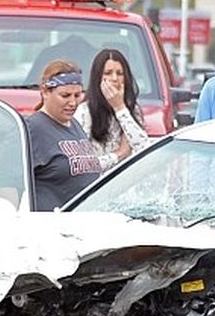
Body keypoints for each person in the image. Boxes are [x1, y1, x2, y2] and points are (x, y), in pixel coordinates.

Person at [27, 59, 102, 211]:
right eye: (65, 95)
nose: (73, 103)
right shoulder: (32, 128)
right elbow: (9, 186)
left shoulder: (75, 124)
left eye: (77, 95)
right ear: (45, 92)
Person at [75, 48, 149, 173]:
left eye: (120, 73)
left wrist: (120, 108)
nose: (114, 79)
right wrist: (119, 155)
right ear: (98, 77)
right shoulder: (84, 112)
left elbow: (144, 149)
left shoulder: (131, 109)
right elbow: (81, 165)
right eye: (108, 73)